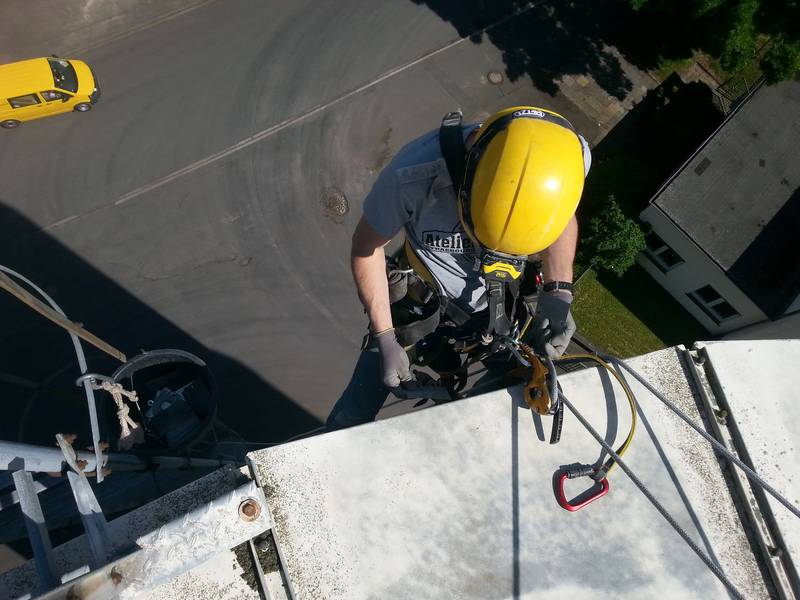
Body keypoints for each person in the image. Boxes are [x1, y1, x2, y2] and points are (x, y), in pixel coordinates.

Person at [326, 106, 591, 430]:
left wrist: (558, 293)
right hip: (420, 303)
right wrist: (384, 336)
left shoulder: (565, 162)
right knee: (353, 414)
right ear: (464, 193)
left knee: (516, 389)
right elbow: (367, 248)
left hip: (498, 305)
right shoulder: (414, 175)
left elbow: (562, 216)